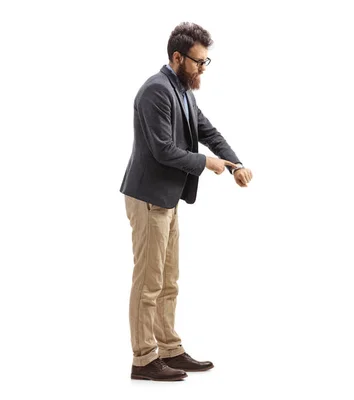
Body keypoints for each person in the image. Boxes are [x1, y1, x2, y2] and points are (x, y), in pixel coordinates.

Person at [120, 22, 253, 381]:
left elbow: (207, 131)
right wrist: (206, 163)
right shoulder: (155, 91)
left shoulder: (183, 90)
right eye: (198, 62)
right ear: (177, 57)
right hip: (148, 198)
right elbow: (163, 150)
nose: (202, 69)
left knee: (169, 280)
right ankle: (144, 359)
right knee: (148, 282)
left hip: (168, 198)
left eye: (206, 62)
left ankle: (169, 349)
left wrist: (234, 164)